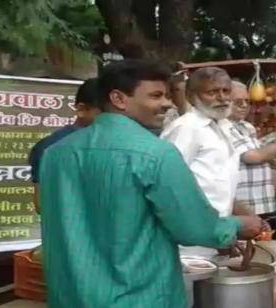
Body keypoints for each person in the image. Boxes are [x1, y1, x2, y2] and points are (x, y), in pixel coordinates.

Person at [39, 60, 262, 308]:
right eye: (156, 96)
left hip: (70, 295)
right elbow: (194, 229)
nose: (167, 103)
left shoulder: (55, 154)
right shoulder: (156, 154)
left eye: (166, 95)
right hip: (139, 295)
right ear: (119, 99)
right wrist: (235, 225)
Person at [161, 67, 239, 218]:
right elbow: (169, 182)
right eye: (212, 92)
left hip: (219, 225)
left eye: (226, 91)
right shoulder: (186, 128)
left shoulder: (224, 126)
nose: (222, 98)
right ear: (190, 97)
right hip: (192, 226)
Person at [28, 78, 100, 212]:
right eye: (104, 113)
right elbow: (41, 204)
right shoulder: (50, 147)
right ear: (81, 109)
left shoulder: (130, 146)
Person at [229, 81, 276, 218]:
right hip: (244, 206)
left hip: (263, 201)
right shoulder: (223, 127)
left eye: (247, 101)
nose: (244, 106)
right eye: (238, 102)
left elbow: (264, 157)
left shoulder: (247, 127)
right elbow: (252, 156)